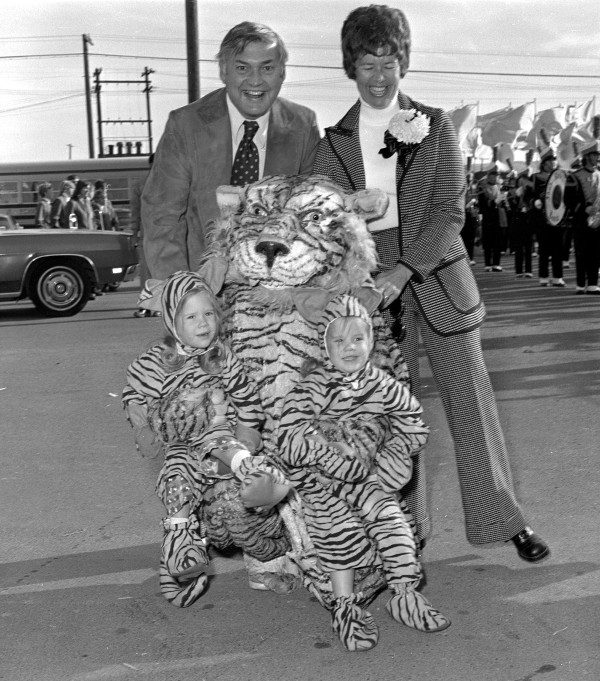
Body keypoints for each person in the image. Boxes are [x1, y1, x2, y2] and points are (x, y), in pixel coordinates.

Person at [312, 4, 550, 563]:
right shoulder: (331, 141)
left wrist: (403, 270)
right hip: (370, 287)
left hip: (436, 274)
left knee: (472, 403)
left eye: (388, 62)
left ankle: (504, 519)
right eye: (367, 64)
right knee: (395, 413)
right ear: (350, 67)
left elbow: (449, 213)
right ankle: (404, 534)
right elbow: (329, 220)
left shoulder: (437, 125)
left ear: (404, 64)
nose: (378, 77)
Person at [278, 294, 450, 651]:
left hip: (370, 481)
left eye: (358, 338)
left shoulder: (383, 385)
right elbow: (289, 438)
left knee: (394, 526)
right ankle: (345, 608)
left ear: (371, 341)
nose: (349, 348)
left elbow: (414, 424)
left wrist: (395, 454)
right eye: (338, 341)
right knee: (337, 538)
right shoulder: (311, 387)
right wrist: (326, 456)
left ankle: (405, 595)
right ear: (324, 347)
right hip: (324, 485)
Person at [123, 271, 295, 604]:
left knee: (240, 494)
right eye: (191, 317)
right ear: (172, 321)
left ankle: (266, 560)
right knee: (177, 491)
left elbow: (246, 396)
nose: (203, 324)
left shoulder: (222, 356)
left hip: (221, 437)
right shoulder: (153, 362)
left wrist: (247, 430)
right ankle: (183, 564)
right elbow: (135, 397)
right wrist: (144, 429)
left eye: (208, 314)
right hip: (181, 446)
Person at [142, 21, 321, 279]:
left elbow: (313, 221)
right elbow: (162, 220)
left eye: (267, 68)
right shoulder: (185, 126)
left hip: (280, 294)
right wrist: (182, 293)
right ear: (224, 71)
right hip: (204, 291)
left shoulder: (303, 126)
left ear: (282, 72)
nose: (256, 80)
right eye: (242, 68)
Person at [527, 149, 566, 287]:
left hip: (557, 217)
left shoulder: (560, 176)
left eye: (553, 160)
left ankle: (557, 277)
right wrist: (534, 201)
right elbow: (527, 196)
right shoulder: (535, 177)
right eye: (550, 161)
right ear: (543, 163)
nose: (552, 162)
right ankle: (543, 276)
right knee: (544, 248)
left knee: (557, 248)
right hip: (541, 218)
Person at [566, 139, 600, 294]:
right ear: (587, 156)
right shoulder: (574, 176)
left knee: (596, 251)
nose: (597, 158)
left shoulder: (599, 175)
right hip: (581, 220)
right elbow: (568, 200)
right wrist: (584, 208)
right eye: (594, 154)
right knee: (581, 252)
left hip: (598, 220)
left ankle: (593, 283)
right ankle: (581, 283)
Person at [131, 155, 160, 317]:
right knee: (146, 272)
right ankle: (145, 305)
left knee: (159, 272)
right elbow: (135, 212)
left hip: (166, 234)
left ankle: (157, 306)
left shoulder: (171, 183)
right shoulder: (140, 184)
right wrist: (134, 233)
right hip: (147, 233)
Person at [477, 167, 505, 271]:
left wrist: (501, 200)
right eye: (493, 175)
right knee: (488, 241)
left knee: (497, 241)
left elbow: (502, 202)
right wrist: (494, 202)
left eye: (496, 175)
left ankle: (496, 264)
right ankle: (488, 264)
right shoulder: (482, 187)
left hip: (497, 216)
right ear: (488, 176)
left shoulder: (498, 187)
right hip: (488, 217)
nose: (495, 177)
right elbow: (482, 204)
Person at [510, 169, 535, 278]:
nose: (523, 182)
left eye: (525, 180)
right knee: (519, 247)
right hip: (517, 219)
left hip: (528, 219)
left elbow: (533, 204)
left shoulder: (530, 193)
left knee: (528, 246)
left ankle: (528, 270)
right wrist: (516, 196)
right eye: (521, 180)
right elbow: (512, 207)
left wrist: (526, 195)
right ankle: (519, 270)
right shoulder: (512, 192)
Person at [461, 171, 478, 265]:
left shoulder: (473, 189)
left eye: (471, 179)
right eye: (468, 179)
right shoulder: (462, 189)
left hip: (471, 215)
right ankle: (464, 258)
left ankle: (470, 258)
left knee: (471, 238)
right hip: (464, 213)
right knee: (464, 237)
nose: (470, 180)